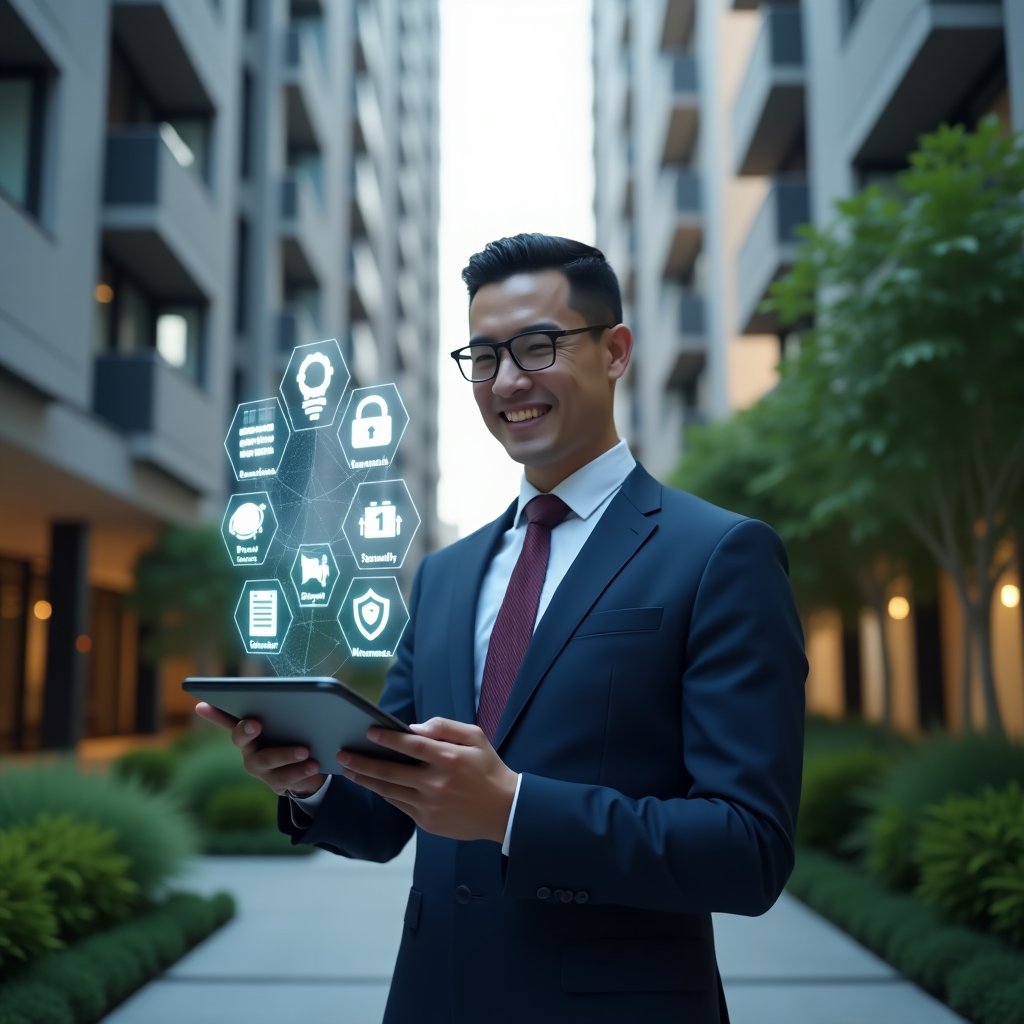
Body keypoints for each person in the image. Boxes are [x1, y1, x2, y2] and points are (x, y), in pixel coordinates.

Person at [197, 233, 807, 1023]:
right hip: (432, 998)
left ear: (616, 351)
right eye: (483, 357)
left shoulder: (721, 554)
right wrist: (311, 780)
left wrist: (514, 811)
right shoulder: (445, 575)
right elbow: (389, 815)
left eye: (538, 346)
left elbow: (749, 849)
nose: (507, 380)